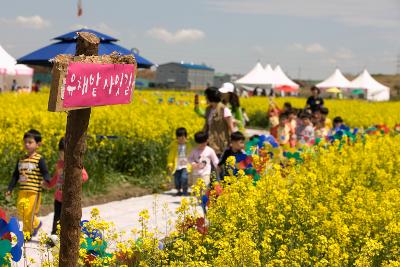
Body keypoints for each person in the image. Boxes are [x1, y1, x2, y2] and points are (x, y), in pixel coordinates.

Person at [5, 129, 50, 238]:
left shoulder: (39, 159)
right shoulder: (21, 159)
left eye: (30, 142)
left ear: (38, 144)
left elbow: (45, 172)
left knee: (29, 212)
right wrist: (10, 189)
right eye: (25, 142)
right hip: (22, 190)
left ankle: (27, 233)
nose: (27, 144)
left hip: (34, 191)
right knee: (21, 211)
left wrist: (47, 181)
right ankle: (36, 224)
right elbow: (15, 175)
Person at [45, 137, 88, 239]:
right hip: (58, 197)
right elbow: (56, 177)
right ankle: (54, 236)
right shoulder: (59, 164)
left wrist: (74, 179)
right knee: (57, 217)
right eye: (60, 153)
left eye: (64, 154)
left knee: (67, 218)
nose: (62, 156)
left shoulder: (75, 165)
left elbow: (85, 176)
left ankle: (66, 236)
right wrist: (49, 185)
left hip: (69, 198)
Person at [195, 87, 234, 156]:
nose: (205, 98)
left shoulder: (224, 109)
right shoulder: (208, 109)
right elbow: (207, 125)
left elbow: (231, 127)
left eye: (206, 96)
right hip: (208, 143)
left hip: (220, 144)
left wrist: (233, 142)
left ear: (210, 97)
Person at [167, 128, 192, 196]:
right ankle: (178, 190)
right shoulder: (174, 146)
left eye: (183, 138)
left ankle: (185, 191)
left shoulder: (188, 145)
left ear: (186, 137)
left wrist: (192, 164)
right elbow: (170, 156)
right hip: (176, 166)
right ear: (176, 138)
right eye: (179, 138)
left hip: (185, 166)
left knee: (184, 178)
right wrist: (170, 164)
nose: (181, 140)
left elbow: (191, 155)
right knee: (177, 180)